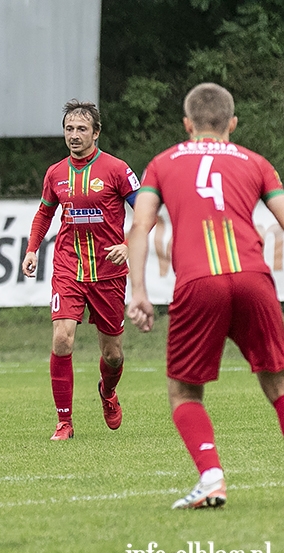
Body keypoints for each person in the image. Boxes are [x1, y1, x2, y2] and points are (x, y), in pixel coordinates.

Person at [127, 82, 284, 509]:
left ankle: (212, 478)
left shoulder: (161, 163)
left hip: (199, 283)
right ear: (232, 123)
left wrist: (138, 292)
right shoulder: (257, 162)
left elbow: (139, 227)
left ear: (187, 124)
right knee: (278, 381)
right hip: (253, 278)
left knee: (184, 391)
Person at [22, 100, 140, 440]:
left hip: (108, 272)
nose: (74, 135)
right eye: (69, 129)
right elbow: (44, 214)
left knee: (113, 355)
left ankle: (107, 391)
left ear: (96, 133)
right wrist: (32, 249)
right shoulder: (56, 173)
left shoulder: (117, 169)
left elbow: (146, 211)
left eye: (81, 129)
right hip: (68, 268)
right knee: (61, 340)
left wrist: (128, 244)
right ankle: (64, 422)